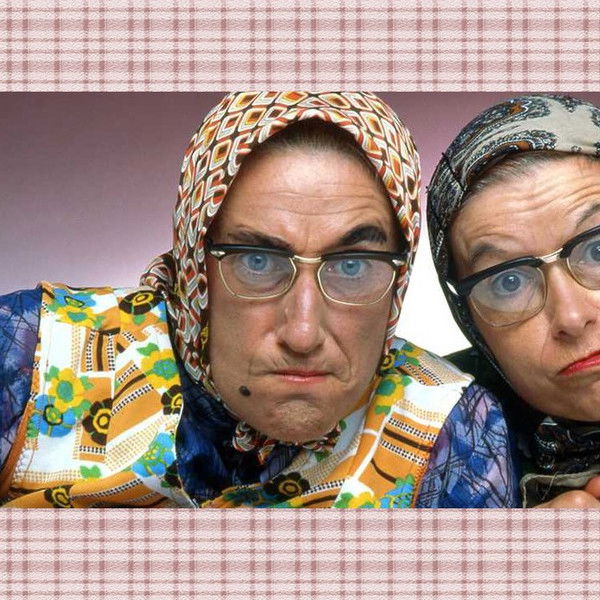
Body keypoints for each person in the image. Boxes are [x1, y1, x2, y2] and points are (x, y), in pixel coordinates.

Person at [0, 91, 518, 508]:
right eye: (257, 261)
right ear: (194, 269)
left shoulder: (450, 431)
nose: (303, 333)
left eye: (352, 266)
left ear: (399, 279)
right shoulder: (31, 354)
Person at [428, 93, 600, 507]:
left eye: (597, 250)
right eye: (509, 282)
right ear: (469, 319)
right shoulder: (428, 434)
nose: (571, 316)